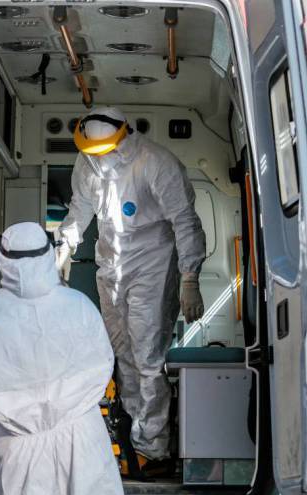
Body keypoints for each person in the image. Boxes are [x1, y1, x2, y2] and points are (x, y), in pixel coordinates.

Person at [56, 107, 206, 469]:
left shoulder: (156, 163)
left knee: (148, 357)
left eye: (100, 151)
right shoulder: (88, 162)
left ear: (121, 139)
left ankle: (153, 449)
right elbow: (80, 208)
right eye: (89, 152)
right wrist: (65, 246)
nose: (95, 158)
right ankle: (136, 441)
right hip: (110, 266)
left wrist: (189, 277)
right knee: (123, 356)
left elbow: (185, 221)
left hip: (152, 265)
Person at [0, 222, 124, 495]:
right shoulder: (79, 305)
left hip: (17, 447)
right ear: (47, 257)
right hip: (82, 440)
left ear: (2, 261)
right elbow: (104, 365)